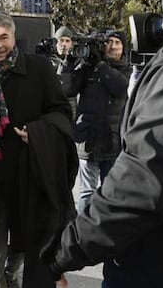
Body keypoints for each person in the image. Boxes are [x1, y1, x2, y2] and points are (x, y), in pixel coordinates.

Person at [42, 0, 163, 287]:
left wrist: (63, 252)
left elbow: (144, 184)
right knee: (90, 190)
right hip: (94, 143)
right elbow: (66, 90)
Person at [0, 10, 78, 288]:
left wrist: (37, 133)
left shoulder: (38, 68)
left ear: (13, 36)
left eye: (4, 37)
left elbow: (61, 111)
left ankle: (13, 274)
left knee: (28, 233)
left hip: (29, 168)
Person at [68, 30, 130, 214]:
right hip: (88, 139)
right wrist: (70, 62)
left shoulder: (127, 69)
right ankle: (84, 233)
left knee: (112, 192)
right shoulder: (88, 67)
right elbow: (67, 89)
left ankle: (107, 233)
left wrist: (101, 66)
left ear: (123, 47)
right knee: (87, 191)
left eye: (116, 43)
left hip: (114, 142)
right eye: (108, 42)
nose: (111, 46)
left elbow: (121, 88)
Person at [49, 26, 77, 119]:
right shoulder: (48, 63)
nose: (64, 44)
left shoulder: (77, 63)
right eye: (61, 40)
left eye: (67, 41)